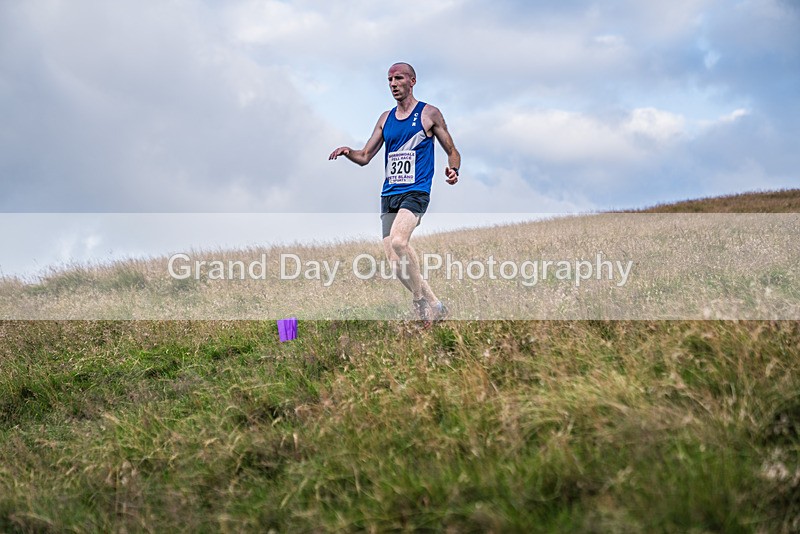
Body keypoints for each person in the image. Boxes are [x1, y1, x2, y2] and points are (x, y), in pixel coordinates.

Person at [329, 62, 461, 325]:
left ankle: (419, 303)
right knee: (393, 260)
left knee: (400, 242)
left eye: (398, 78)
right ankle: (436, 306)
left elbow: (452, 151)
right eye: (389, 79)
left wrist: (454, 170)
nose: (393, 84)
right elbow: (365, 156)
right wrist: (349, 152)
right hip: (389, 194)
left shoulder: (429, 114)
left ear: (412, 81)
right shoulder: (385, 118)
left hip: (416, 191)